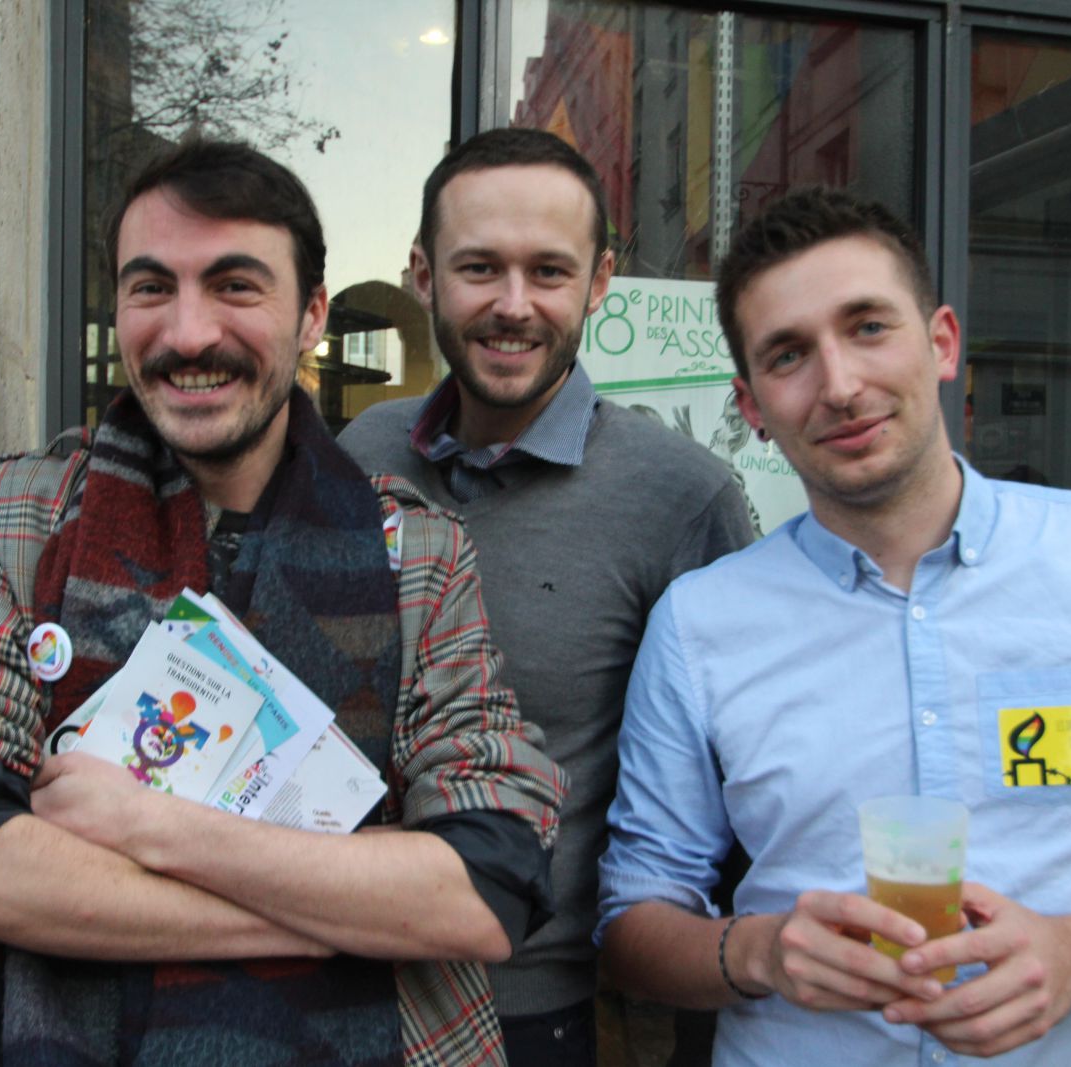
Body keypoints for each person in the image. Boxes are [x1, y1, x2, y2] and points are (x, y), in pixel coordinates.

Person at [0, 139, 567, 1067]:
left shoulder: (418, 554)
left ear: (311, 314)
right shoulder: (27, 515)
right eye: (151, 287)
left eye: (235, 286)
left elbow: (483, 887)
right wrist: (340, 914)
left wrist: (146, 826)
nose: (189, 333)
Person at [596, 186, 1071, 1065]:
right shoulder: (700, 625)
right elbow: (633, 924)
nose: (841, 385)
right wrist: (759, 951)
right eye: (789, 354)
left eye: (868, 327)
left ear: (943, 342)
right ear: (752, 406)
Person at [338, 127, 753, 1065]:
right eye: (480, 266)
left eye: (550, 271)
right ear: (423, 274)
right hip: (328, 981)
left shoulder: (681, 497)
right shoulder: (360, 454)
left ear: (600, 282)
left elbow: (734, 803)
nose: (513, 304)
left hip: (538, 1013)